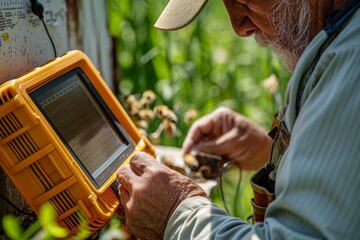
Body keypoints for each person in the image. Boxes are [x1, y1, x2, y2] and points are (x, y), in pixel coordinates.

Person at [117, 0, 360, 239]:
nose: (239, 26)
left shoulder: (352, 64)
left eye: (241, 1)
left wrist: (176, 215)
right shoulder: (339, 38)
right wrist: (274, 153)